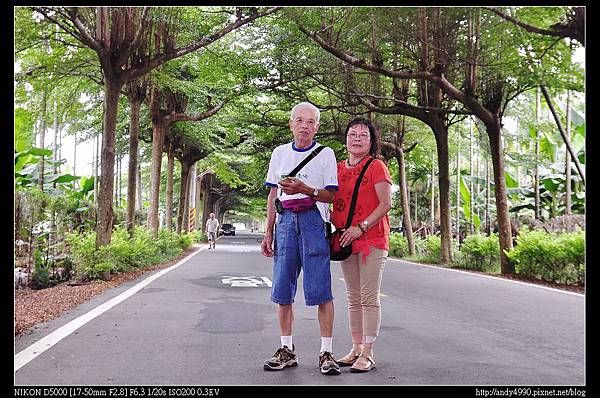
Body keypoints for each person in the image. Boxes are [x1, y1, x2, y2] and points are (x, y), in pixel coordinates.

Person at [261, 102, 341, 375]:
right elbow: (273, 195)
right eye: (299, 120)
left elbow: (331, 195)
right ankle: (286, 349)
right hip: (285, 222)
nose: (304, 125)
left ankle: (326, 352)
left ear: (317, 126)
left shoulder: (325, 154)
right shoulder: (280, 153)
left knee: (321, 288)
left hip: (313, 221)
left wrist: (305, 189)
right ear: (291, 124)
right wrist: (268, 230)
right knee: (283, 287)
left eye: (310, 121)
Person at [331, 117, 392, 373]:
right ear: (346, 139)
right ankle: (356, 348)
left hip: (371, 238)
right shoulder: (337, 167)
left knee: (368, 297)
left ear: (371, 140)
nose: (357, 138)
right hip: (346, 239)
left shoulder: (377, 166)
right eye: (352, 134)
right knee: (353, 297)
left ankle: (368, 352)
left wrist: (361, 227)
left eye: (363, 135)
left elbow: (386, 204)